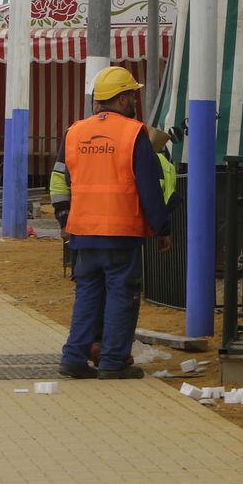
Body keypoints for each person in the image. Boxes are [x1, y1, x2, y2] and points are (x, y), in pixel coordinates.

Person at [52, 66, 170, 380]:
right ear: (121, 99)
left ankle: (75, 357)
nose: (135, 100)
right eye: (132, 95)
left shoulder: (75, 132)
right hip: (120, 232)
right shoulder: (134, 133)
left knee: (88, 294)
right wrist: (162, 228)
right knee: (122, 294)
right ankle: (113, 360)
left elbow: (66, 178)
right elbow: (148, 186)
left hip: (83, 233)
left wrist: (65, 218)